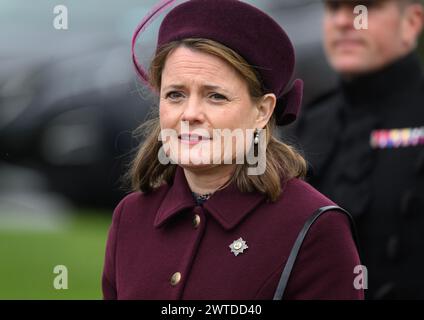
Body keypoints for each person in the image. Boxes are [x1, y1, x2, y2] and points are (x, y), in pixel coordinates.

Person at [101, 0, 363, 300]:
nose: (190, 114)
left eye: (215, 96)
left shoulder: (314, 227)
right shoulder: (131, 217)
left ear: (262, 111)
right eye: (175, 94)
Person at [291, 0, 424, 299]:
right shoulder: (308, 125)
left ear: (412, 22)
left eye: (364, 8)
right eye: (333, 8)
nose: (342, 21)